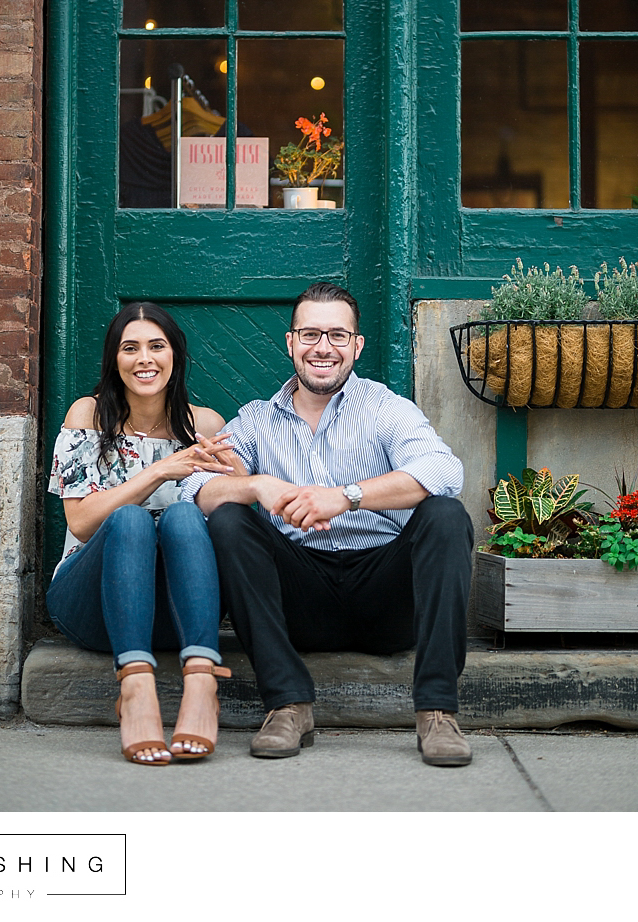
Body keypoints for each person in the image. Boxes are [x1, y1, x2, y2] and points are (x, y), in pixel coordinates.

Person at [180, 279, 475, 768]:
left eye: (338, 336)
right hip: (299, 599)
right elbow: (197, 490)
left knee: (445, 514)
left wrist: (347, 497)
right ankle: (287, 704)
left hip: (388, 598)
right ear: (291, 342)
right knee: (230, 519)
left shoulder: (387, 409)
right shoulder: (256, 420)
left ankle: (437, 712)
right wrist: (256, 487)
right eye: (311, 334)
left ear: (356, 346)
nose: (324, 348)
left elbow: (444, 473)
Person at [45, 303, 237, 767]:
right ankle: (134, 689)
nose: (144, 359)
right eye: (130, 348)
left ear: (176, 356)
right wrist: (160, 472)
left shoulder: (206, 426)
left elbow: (234, 513)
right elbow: (81, 523)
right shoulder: (88, 415)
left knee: (185, 519)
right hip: (91, 604)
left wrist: (237, 475)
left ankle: (201, 684)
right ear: (115, 359)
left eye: (157, 346)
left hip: (175, 612)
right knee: (129, 520)